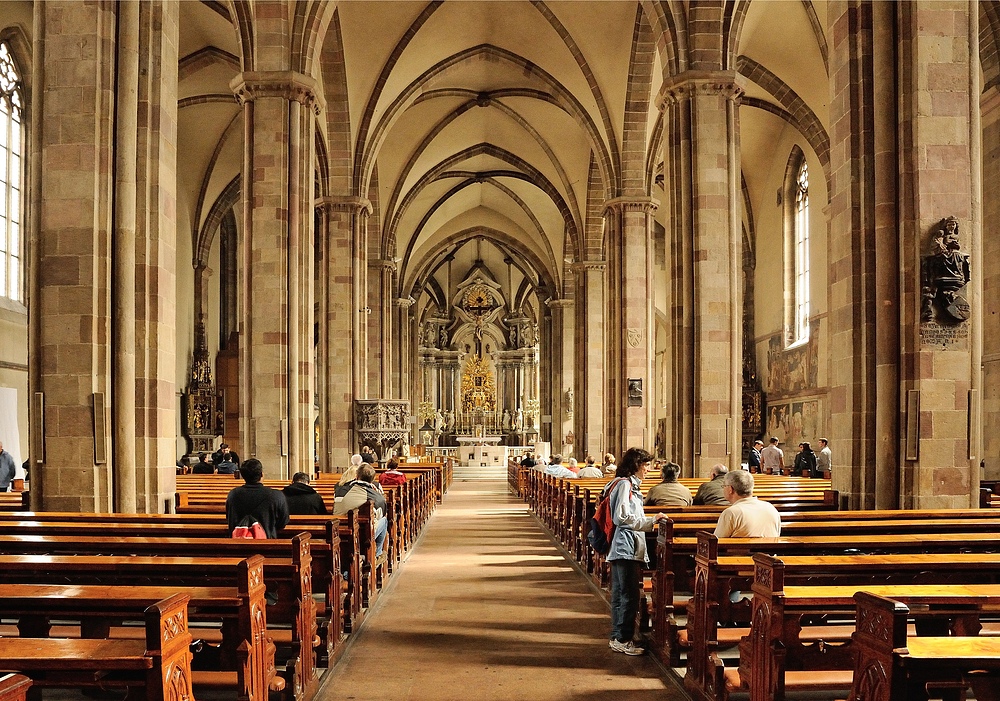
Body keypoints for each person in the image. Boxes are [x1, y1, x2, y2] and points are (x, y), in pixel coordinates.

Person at [606, 447, 669, 655]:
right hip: (626, 545)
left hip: (625, 545)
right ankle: (622, 638)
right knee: (629, 595)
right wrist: (651, 522)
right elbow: (621, 517)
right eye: (646, 465)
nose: (649, 469)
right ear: (636, 465)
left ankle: (618, 636)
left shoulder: (628, 485)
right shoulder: (625, 485)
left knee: (621, 594)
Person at [225, 459, 290, 538]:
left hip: (239, 544)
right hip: (268, 544)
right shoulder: (276, 495)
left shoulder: (233, 494)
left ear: (243, 476)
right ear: (262, 474)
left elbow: (229, 518)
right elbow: (283, 522)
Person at [334, 464, 388, 557]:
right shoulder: (377, 497)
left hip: (338, 530)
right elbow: (381, 515)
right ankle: (377, 554)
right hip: (363, 535)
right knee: (384, 520)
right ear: (373, 479)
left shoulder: (339, 491)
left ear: (357, 476)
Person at [714, 469, 781, 538]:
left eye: (724, 486)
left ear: (730, 489)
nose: (723, 488)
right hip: (770, 549)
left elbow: (716, 542)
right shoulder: (770, 508)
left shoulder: (731, 513)